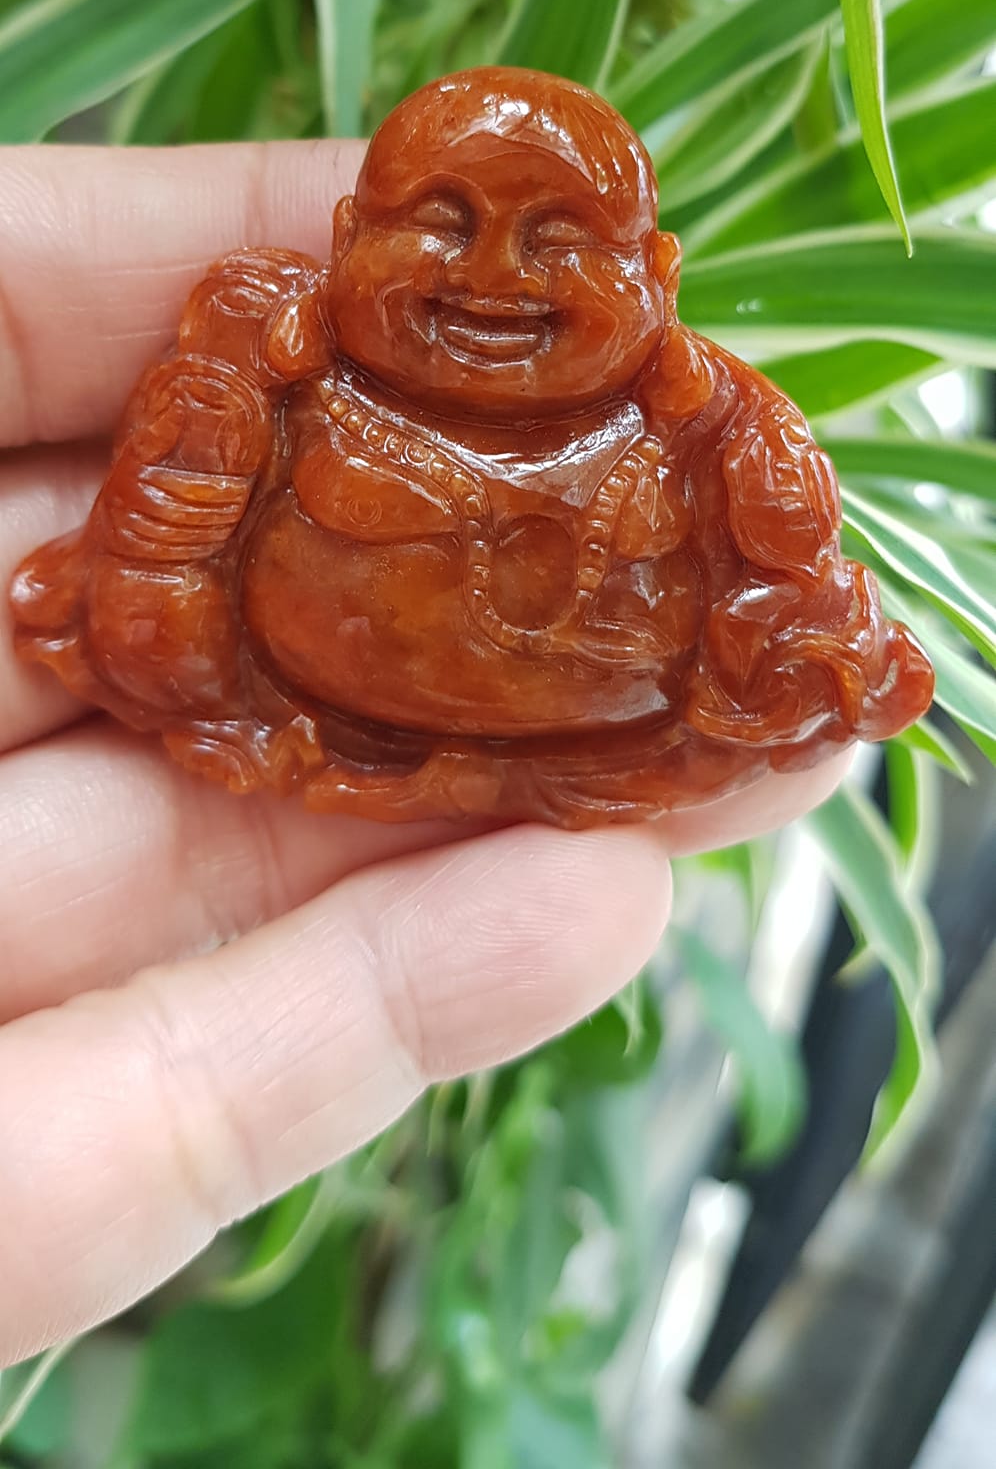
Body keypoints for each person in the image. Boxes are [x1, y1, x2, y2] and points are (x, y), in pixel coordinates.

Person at [0, 140, 851, 1368]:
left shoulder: (719, 430)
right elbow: (148, 584)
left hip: (601, 748)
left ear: (654, 273)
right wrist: (173, 563)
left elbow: (800, 624)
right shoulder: (269, 372)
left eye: (562, 241)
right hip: (289, 724)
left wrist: (784, 660)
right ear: (350, 235)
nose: (496, 276)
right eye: (442, 224)